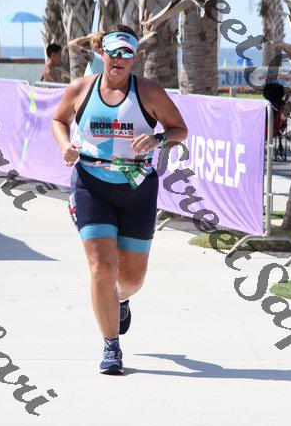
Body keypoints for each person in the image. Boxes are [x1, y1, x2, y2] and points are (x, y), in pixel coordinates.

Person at [51, 24, 188, 375]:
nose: (119, 59)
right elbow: (58, 120)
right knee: (102, 268)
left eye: (127, 53)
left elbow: (179, 129)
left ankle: (121, 299)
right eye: (113, 52)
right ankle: (111, 346)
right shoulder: (81, 88)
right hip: (91, 185)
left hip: (137, 189)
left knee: (131, 279)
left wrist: (157, 140)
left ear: (134, 58)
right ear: (102, 54)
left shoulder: (149, 92)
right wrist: (65, 145)